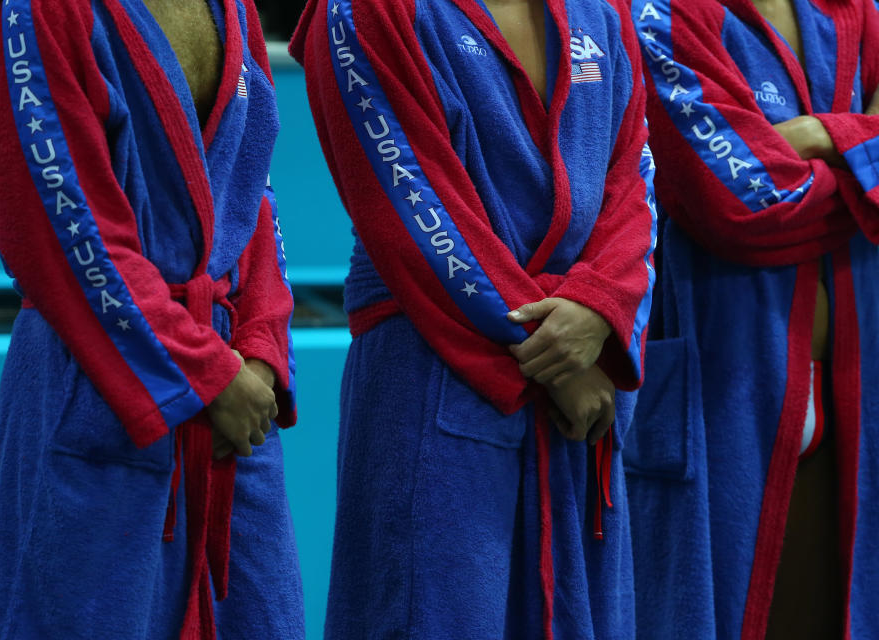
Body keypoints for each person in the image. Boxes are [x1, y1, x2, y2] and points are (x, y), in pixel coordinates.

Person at [0, 0, 304, 638]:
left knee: (256, 614)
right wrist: (205, 374)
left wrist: (262, 346)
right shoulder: (36, 12)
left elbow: (253, 196)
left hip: (237, 400)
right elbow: (60, 223)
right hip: (102, 377)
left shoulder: (234, 7)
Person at [290, 0, 657, 637]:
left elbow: (632, 173)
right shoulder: (362, 11)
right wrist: (555, 352)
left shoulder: (602, 9)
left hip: (584, 371)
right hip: (438, 368)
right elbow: (408, 202)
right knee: (427, 615)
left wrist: (602, 306)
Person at [625, 0, 879, 637]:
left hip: (857, 394)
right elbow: (741, 208)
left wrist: (818, 138)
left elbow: (769, 175)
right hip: (722, 387)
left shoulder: (855, 13)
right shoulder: (659, 14)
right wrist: (865, 159)